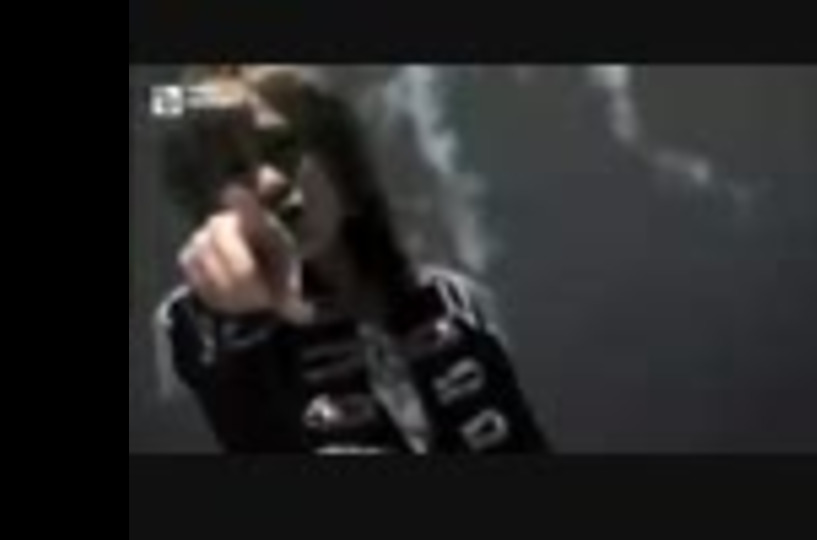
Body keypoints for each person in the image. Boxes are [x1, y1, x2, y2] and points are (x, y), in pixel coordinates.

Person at [153, 65, 549, 454]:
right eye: (235, 170)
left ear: (336, 160)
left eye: (283, 148)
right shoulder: (195, 332)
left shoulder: (453, 302)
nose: (268, 183)